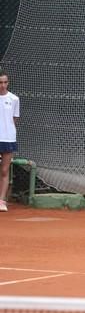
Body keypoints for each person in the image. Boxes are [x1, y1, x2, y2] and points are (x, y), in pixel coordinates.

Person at [0, 71, 19, 212]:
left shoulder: (14, 99)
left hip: (8, 139)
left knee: (5, 170)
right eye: (0, 82)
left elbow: (14, 119)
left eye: (5, 82)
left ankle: (2, 201)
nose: (3, 85)